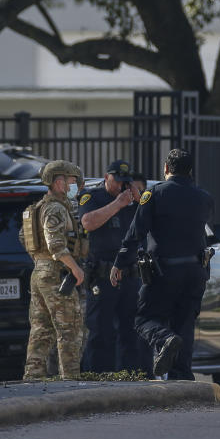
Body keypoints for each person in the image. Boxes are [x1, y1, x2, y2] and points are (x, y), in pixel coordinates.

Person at [110, 149, 214, 380]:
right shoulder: (204, 198)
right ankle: (182, 379)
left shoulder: (154, 194)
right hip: (196, 272)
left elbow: (136, 232)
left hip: (165, 271)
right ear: (190, 171)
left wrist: (119, 262)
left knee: (144, 319)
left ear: (166, 168)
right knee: (184, 324)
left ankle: (164, 339)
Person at [22, 159, 87, 380]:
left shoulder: (38, 207)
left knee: (41, 331)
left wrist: (42, 262)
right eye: (71, 182)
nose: (73, 187)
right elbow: (56, 245)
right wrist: (76, 269)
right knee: (69, 330)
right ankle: (71, 381)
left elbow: (25, 238)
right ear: (59, 183)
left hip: (40, 272)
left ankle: (33, 380)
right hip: (57, 274)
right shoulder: (56, 208)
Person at [78, 159, 144, 373]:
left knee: (131, 330)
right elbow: (87, 222)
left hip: (130, 275)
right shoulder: (94, 197)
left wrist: (139, 198)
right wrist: (118, 204)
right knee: (101, 331)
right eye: (117, 181)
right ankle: (99, 379)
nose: (120, 186)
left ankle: (131, 377)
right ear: (106, 178)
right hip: (103, 275)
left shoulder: (134, 201)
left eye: (125, 182)